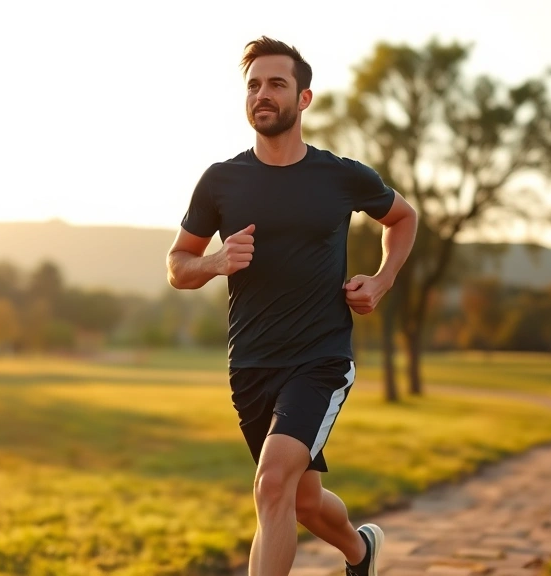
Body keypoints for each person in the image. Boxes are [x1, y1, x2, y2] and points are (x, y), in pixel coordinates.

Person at [165, 36, 418, 576]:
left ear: (303, 98)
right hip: (251, 365)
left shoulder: (340, 175)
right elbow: (177, 266)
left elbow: (403, 218)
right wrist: (214, 262)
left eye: (276, 84)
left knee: (271, 483)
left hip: (320, 358)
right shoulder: (220, 181)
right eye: (253, 85)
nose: (263, 94)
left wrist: (381, 279)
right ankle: (360, 552)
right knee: (299, 501)